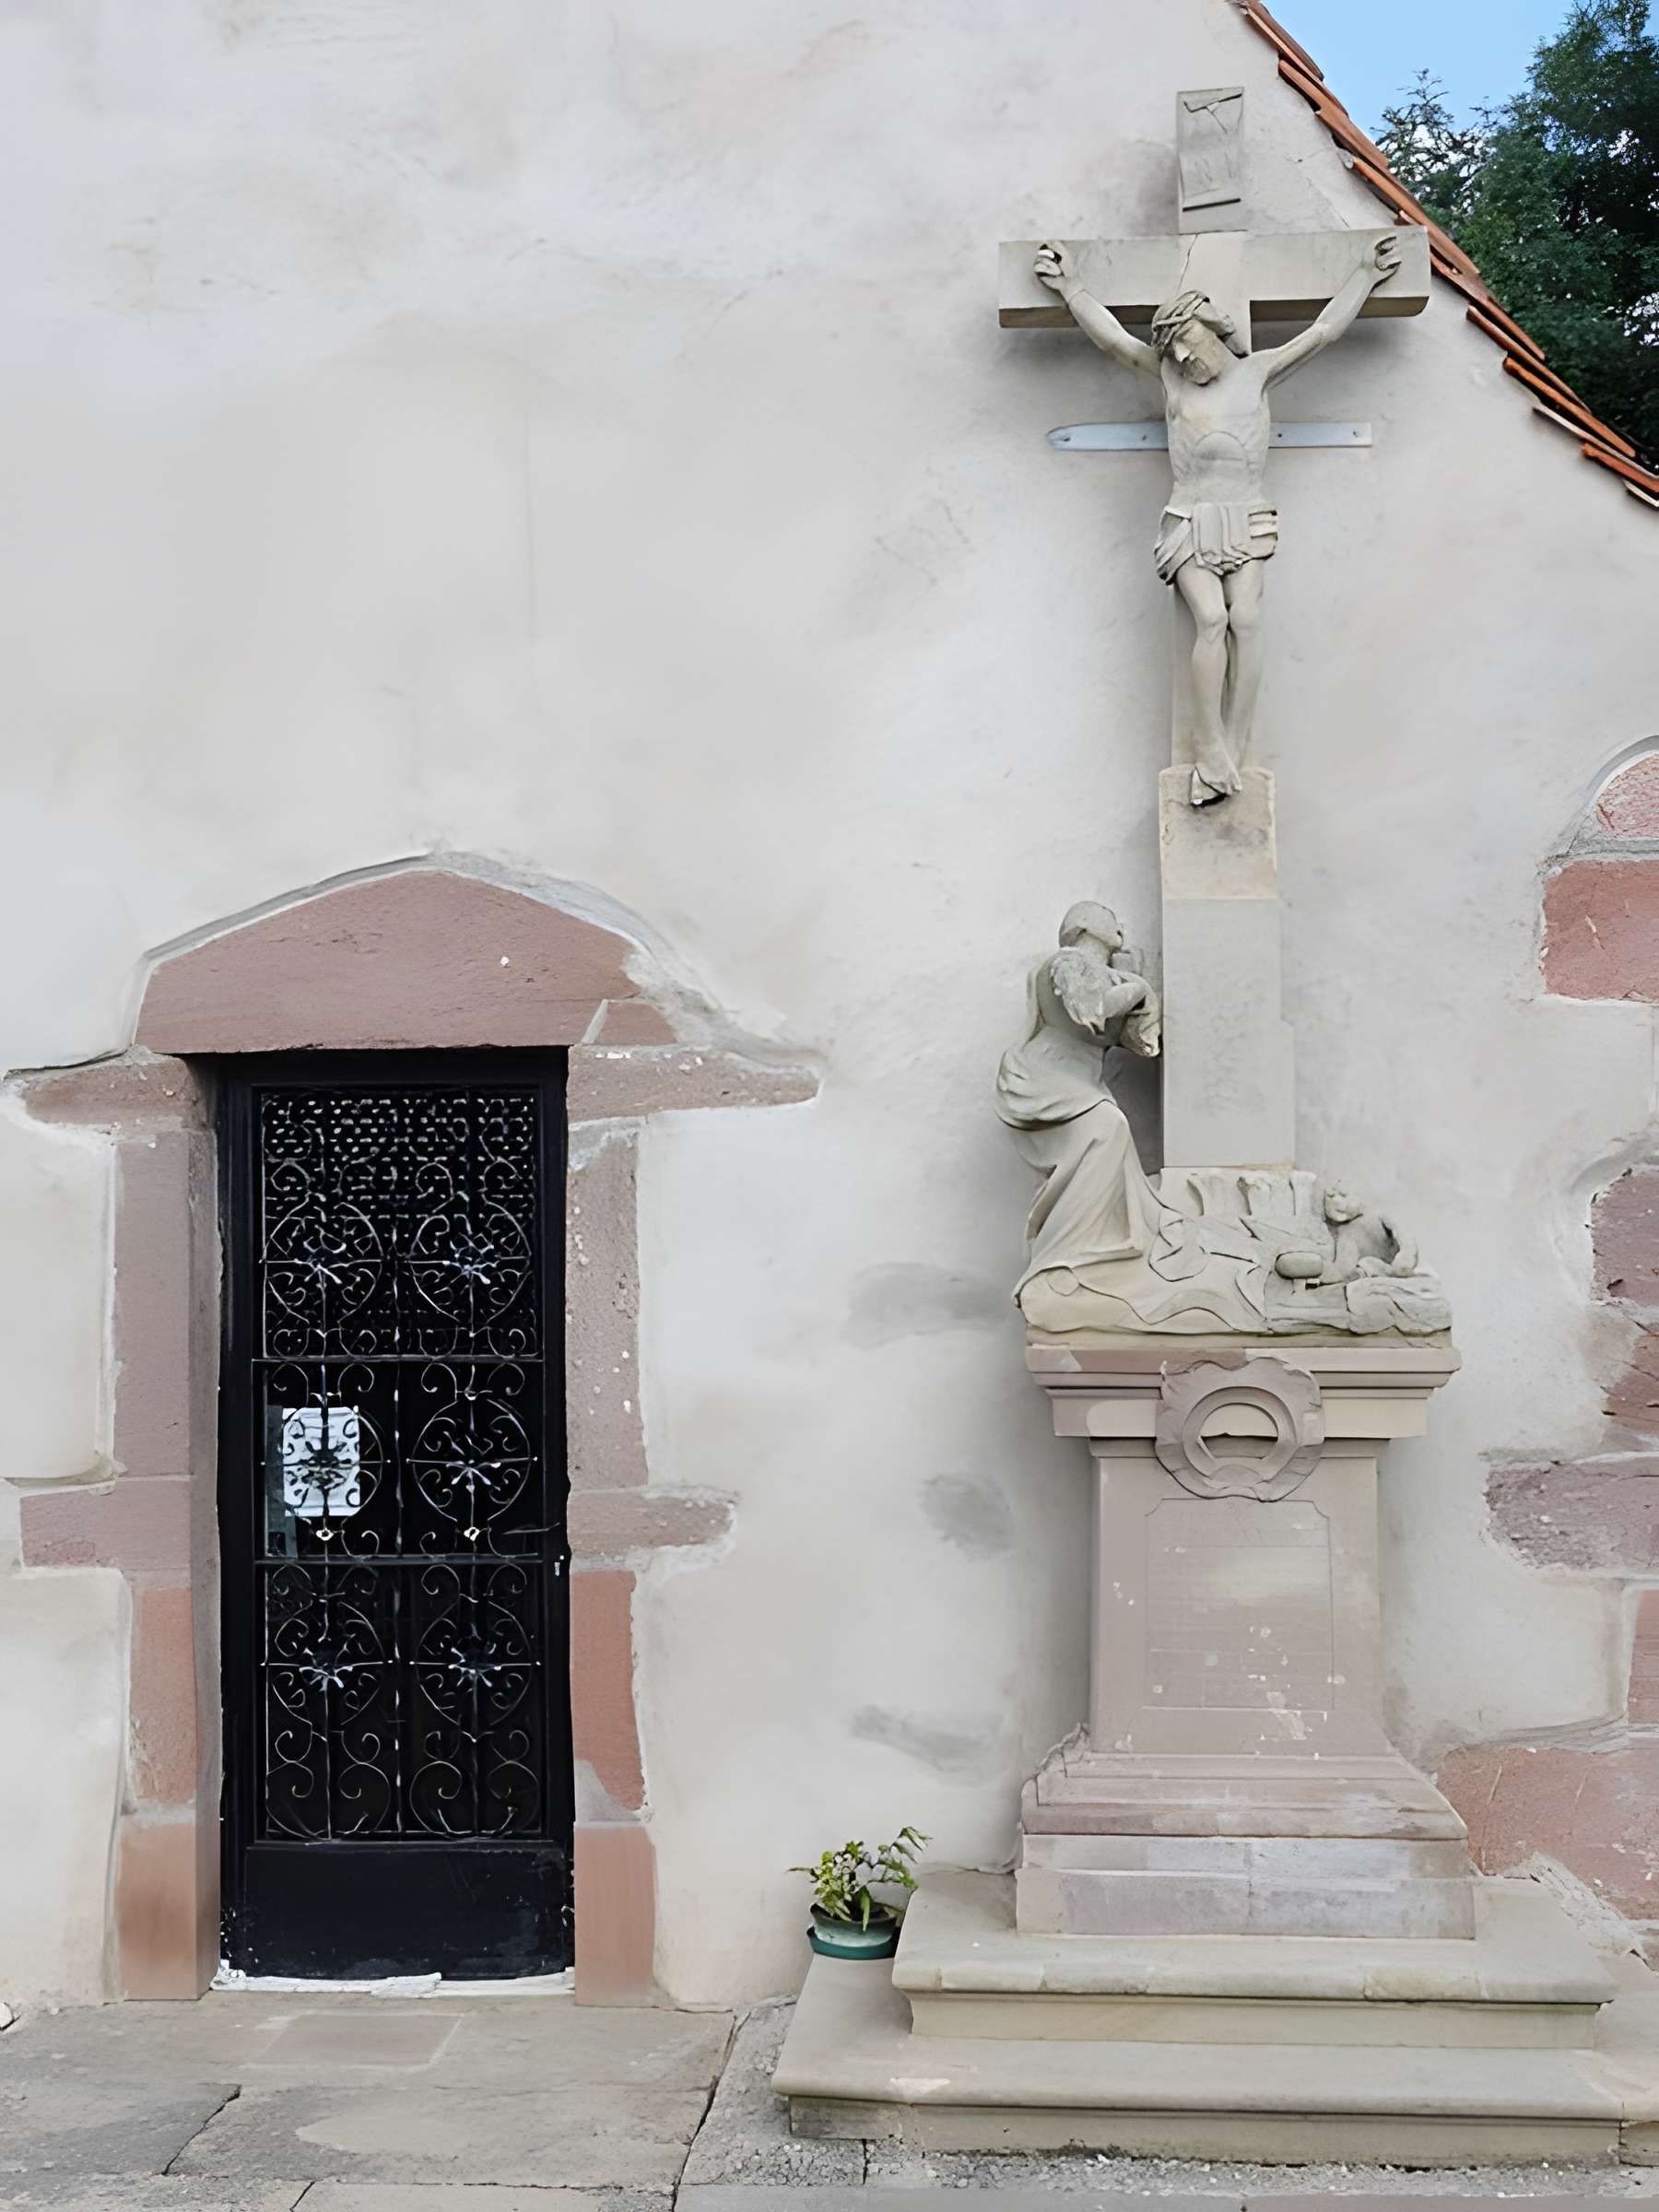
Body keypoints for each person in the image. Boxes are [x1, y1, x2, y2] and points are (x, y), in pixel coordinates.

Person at [1034, 233, 1403, 805]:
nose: (1183, 358)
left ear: (1210, 326)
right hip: (1189, 518)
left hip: (1247, 514)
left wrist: (1365, 274)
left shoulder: (1257, 372)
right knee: (1212, 619)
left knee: (1246, 621)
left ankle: (1233, 745)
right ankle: (1208, 745)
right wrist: (1072, 288)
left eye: (1185, 340)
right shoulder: (1170, 379)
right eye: (1174, 351)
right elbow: (1114, 340)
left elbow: (1323, 332)